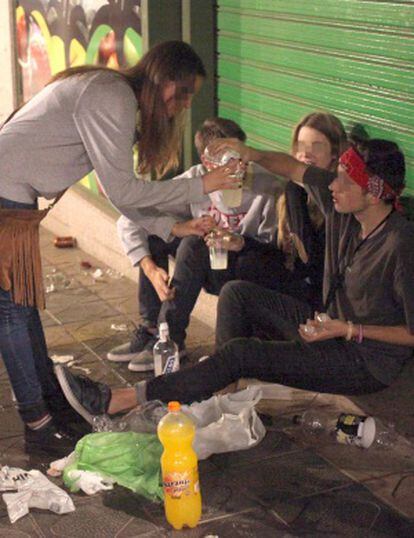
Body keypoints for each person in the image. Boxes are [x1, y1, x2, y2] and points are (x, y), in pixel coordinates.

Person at [55, 137, 414, 419]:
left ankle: (124, 399)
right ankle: (221, 393)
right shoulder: (345, 210)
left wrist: (348, 330)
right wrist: (251, 152)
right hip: (328, 329)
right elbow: (290, 167)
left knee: (243, 353)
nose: (333, 184)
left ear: (373, 192)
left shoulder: (400, 244)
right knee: (237, 293)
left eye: (344, 179)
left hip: (362, 361)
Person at [0, 40, 239, 457]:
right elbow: (125, 190)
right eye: (183, 95)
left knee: (20, 307)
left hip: (12, 195)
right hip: (5, 194)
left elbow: (120, 196)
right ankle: (38, 422)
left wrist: (171, 225)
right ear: (165, 80)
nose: (182, 107)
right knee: (12, 313)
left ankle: (51, 405)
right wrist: (201, 184)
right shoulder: (111, 97)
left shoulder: (112, 94)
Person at [107, 117, 282, 371]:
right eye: (226, 160)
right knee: (161, 236)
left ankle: (170, 339)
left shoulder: (268, 186)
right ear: (206, 162)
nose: (237, 167)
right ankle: (156, 331)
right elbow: (130, 217)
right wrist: (151, 270)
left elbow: (275, 256)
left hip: (248, 270)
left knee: (192, 244)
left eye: (241, 157)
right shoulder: (195, 181)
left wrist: (240, 242)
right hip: (208, 266)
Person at [249, 112, 347, 309]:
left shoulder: (336, 200)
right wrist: (240, 243)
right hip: (298, 285)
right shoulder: (294, 192)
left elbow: (309, 262)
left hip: (321, 301)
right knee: (244, 266)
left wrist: (296, 189)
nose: (306, 153)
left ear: (335, 155)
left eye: (316, 147)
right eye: (301, 146)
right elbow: (284, 255)